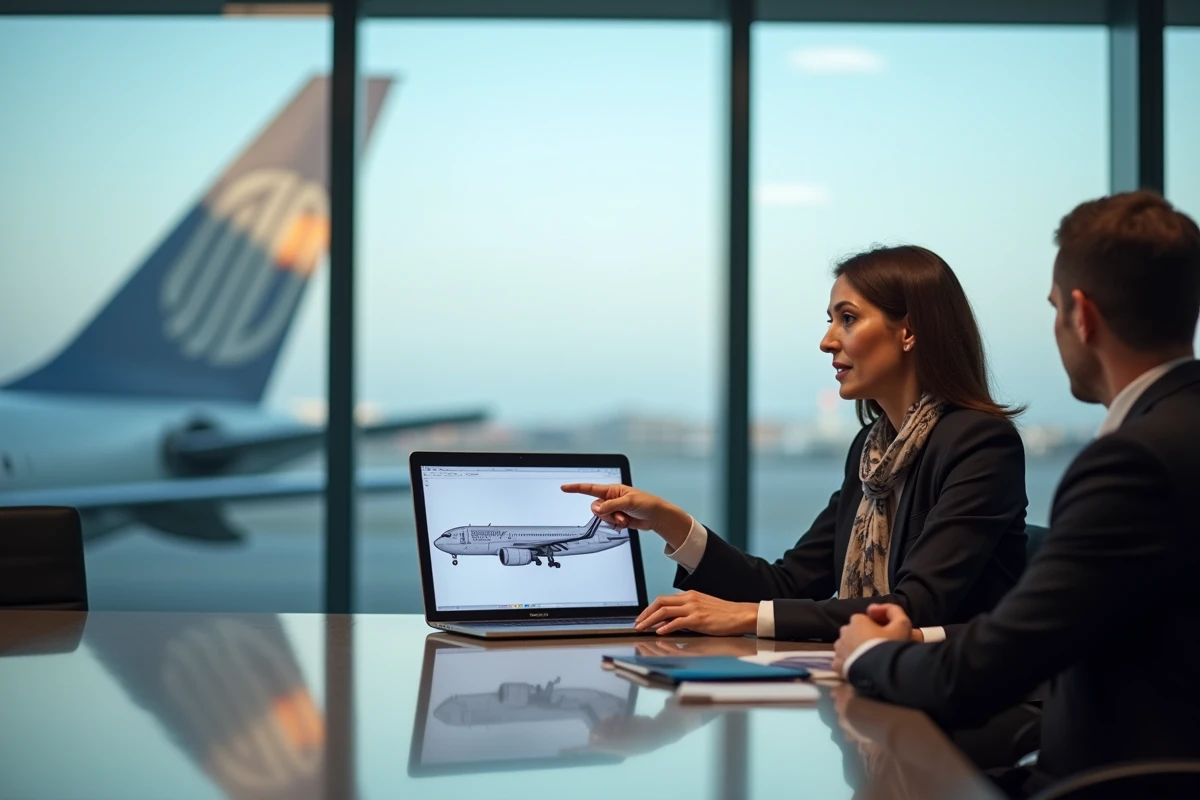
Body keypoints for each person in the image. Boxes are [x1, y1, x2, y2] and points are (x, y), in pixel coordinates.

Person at [833, 191, 1200, 793]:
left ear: (1081, 316)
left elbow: (994, 667)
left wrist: (870, 656)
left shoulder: (1133, 462)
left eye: (1055, 310)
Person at [563, 244, 1028, 641]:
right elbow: (789, 584)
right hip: (877, 680)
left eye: (847, 319)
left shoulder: (980, 444)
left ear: (908, 331)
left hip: (961, 705)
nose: (827, 341)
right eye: (830, 320)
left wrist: (744, 617)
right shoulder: (872, 452)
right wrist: (671, 523)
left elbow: (914, 608)